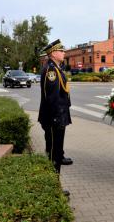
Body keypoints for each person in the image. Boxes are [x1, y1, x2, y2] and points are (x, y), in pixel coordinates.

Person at [38, 39, 72, 175]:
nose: (64, 53)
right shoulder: (51, 71)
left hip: (57, 116)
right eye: (61, 51)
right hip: (54, 118)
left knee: (56, 152)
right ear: (52, 53)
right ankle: (54, 186)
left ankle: (54, 184)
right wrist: (57, 118)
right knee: (54, 153)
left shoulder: (56, 68)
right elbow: (52, 98)